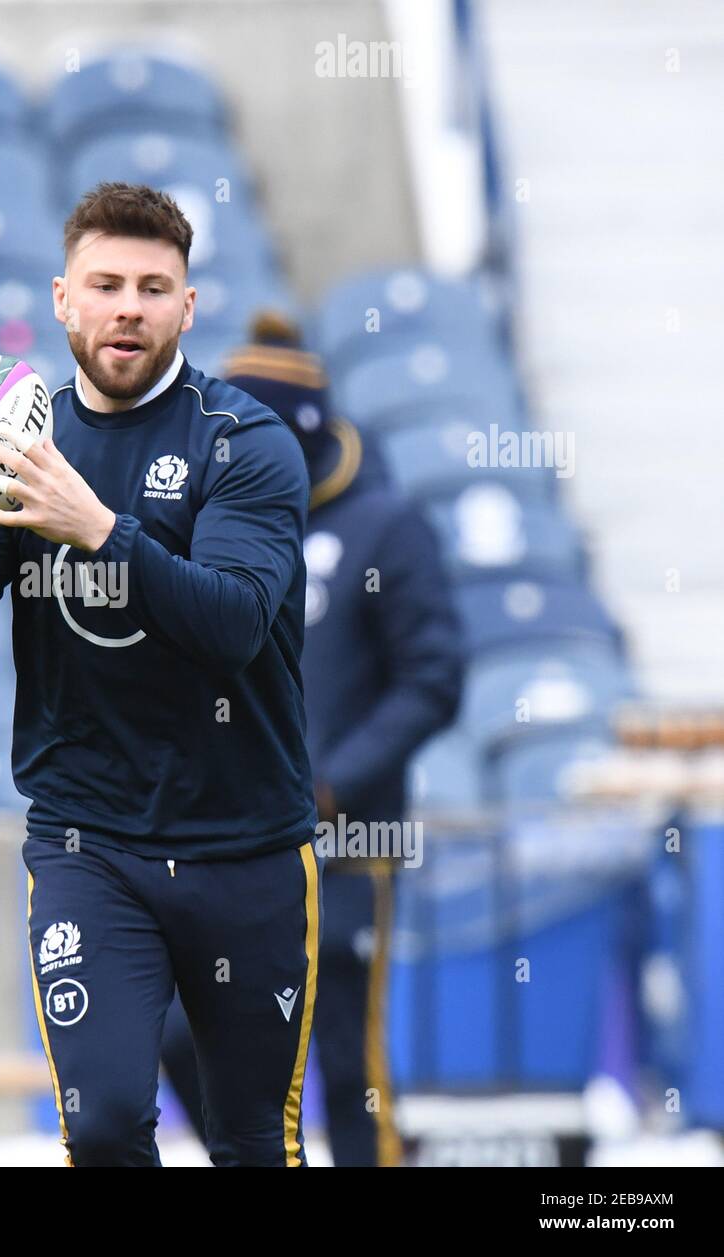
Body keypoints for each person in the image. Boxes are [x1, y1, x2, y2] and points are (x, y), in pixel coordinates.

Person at [0, 183, 320, 1167]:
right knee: (107, 1124)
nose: (129, 306)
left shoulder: (243, 444)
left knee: (252, 1143)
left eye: (154, 287)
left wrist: (101, 530)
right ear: (63, 300)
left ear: (187, 308)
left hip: (245, 846)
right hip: (91, 847)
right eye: (106, 283)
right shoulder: (20, 452)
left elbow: (235, 626)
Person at [161, 314, 464, 1165]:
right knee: (181, 1031)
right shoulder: (215, 524)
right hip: (230, 835)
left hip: (347, 841)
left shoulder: (385, 528)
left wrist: (335, 780)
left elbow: (433, 680)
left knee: (345, 1058)